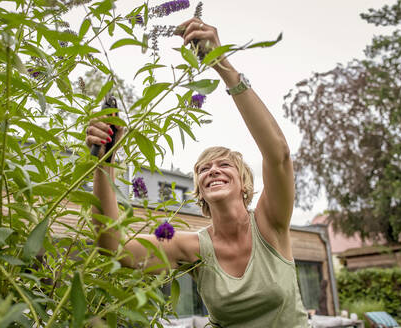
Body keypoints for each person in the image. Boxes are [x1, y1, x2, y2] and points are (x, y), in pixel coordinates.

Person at [86, 18, 309, 328]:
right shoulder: (192, 247)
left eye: (224, 165)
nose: (212, 170)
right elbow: (112, 247)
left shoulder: (271, 225)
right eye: (203, 169)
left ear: (244, 183)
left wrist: (222, 66)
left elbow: (279, 155)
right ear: (199, 191)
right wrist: (104, 163)